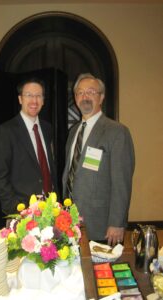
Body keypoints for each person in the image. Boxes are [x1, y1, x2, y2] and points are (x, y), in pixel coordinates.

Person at [62, 73, 135, 246]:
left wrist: (117, 222)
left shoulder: (117, 132)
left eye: (91, 92)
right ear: (75, 98)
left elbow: (121, 182)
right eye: (80, 92)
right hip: (70, 222)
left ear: (101, 97)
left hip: (101, 224)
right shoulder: (73, 132)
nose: (85, 96)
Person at [0, 77, 58, 215]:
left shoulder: (47, 128)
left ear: (43, 100)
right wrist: (17, 208)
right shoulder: (6, 131)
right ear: (20, 99)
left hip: (50, 209)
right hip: (22, 211)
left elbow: (48, 167)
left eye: (38, 95)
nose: (34, 100)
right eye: (29, 95)